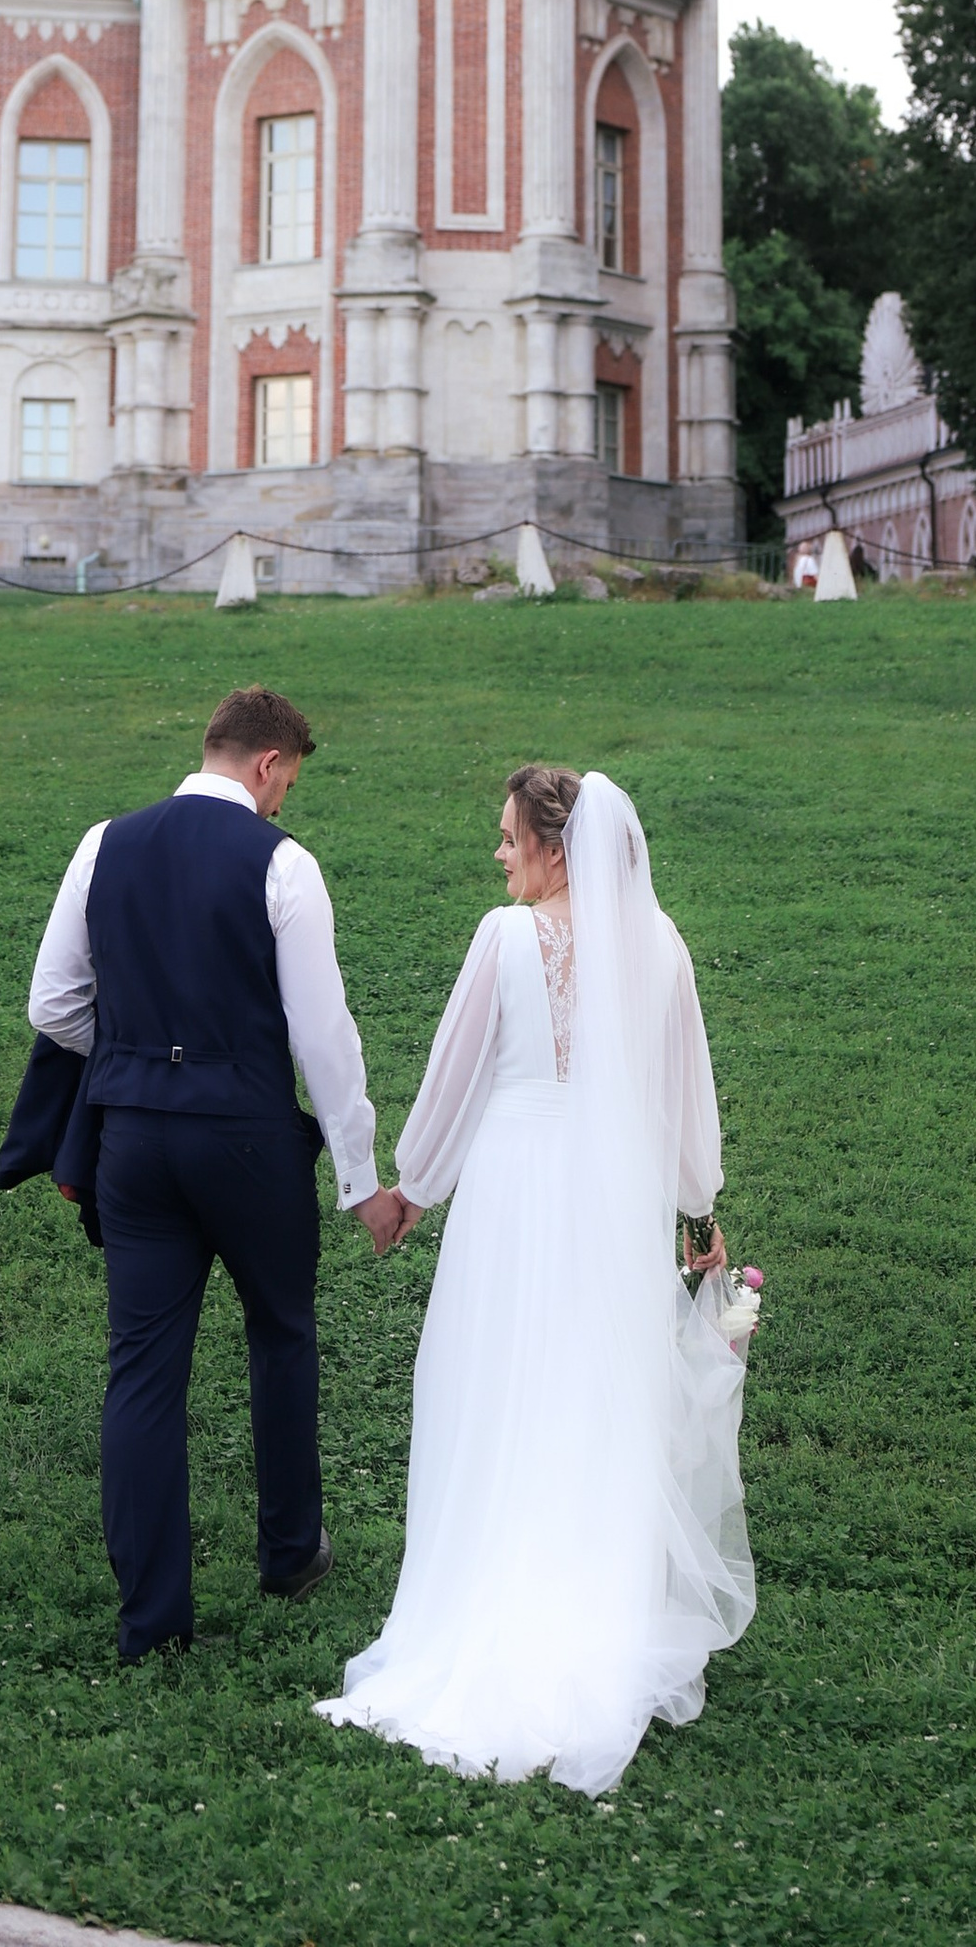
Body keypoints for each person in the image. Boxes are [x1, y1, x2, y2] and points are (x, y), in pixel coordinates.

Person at [317, 765, 755, 1794]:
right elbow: (686, 1094)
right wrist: (697, 1206)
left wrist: (412, 1187)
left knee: (498, 1385)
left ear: (557, 849)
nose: (498, 853)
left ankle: (485, 1601)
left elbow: (455, 1073)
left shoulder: (503, 939)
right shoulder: (661, 944)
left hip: (513, 1192)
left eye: (510, 837)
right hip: (612, 1200)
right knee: (592, 1394)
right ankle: (589, 1605)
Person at [25, 681, 407, 1660]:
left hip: (131, 1138)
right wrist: (359, 1178)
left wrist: (136, 1055)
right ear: (268, 764)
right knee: (280, 1329)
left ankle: (151, 1622)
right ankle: (288, 1550)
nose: (285, 803)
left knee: (142, 1367)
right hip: (243, 1134)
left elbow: (54, 1008)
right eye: (288, 785)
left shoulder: (102, 843)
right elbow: (323, 1037)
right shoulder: (284, 864)